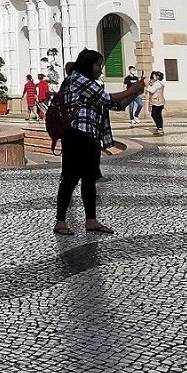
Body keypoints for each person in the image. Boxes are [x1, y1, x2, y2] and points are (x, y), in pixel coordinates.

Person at [52, 50, 141, 235]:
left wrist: (136, 93)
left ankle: (91, 220)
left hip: (90, 136)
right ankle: (60, 221)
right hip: (76, 135)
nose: (100, 69)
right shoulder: (76, 79)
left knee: (89, 179)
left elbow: (116, 105)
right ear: (87, 64)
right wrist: (132, 89)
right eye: (98, 65)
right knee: (70, 178)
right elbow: (107, 98)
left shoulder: (90, 83)